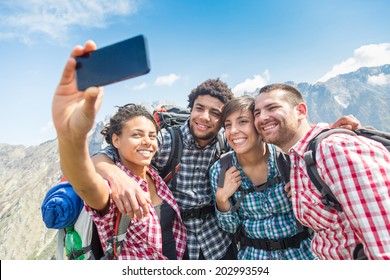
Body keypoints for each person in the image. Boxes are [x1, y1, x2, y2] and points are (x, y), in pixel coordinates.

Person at [52, 40, 187, 260]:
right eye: (136, 135)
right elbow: (85, 183)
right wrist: (70, 136)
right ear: (116, 140)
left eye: (152, 136)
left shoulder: (155, 175)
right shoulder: (113, 189)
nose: (147, 141)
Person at [92, 78, 237, 260]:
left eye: (215, 113)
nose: (204, 117)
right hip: (181, 245)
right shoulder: (167, 141)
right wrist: (117, 176)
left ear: (223, 120)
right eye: (199, 108)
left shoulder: (225, 145)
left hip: (218, 242)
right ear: (191, 109)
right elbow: (102, 156)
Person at [253, 83, 390, 260]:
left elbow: (384, 245)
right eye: (257, 113)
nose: (262, 118)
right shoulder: (299, 157)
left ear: (301, 111)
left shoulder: (334, 150)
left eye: (273, 107)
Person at [209, 96, 316, 260]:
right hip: (254, 257)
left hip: (303, 254)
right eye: (228, 125)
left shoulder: (288, 158)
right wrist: (221, 200)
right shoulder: (221, 170)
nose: (233, 131)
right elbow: (230, 228)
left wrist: (304, 199)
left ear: (259, 125)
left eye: (242, 121)